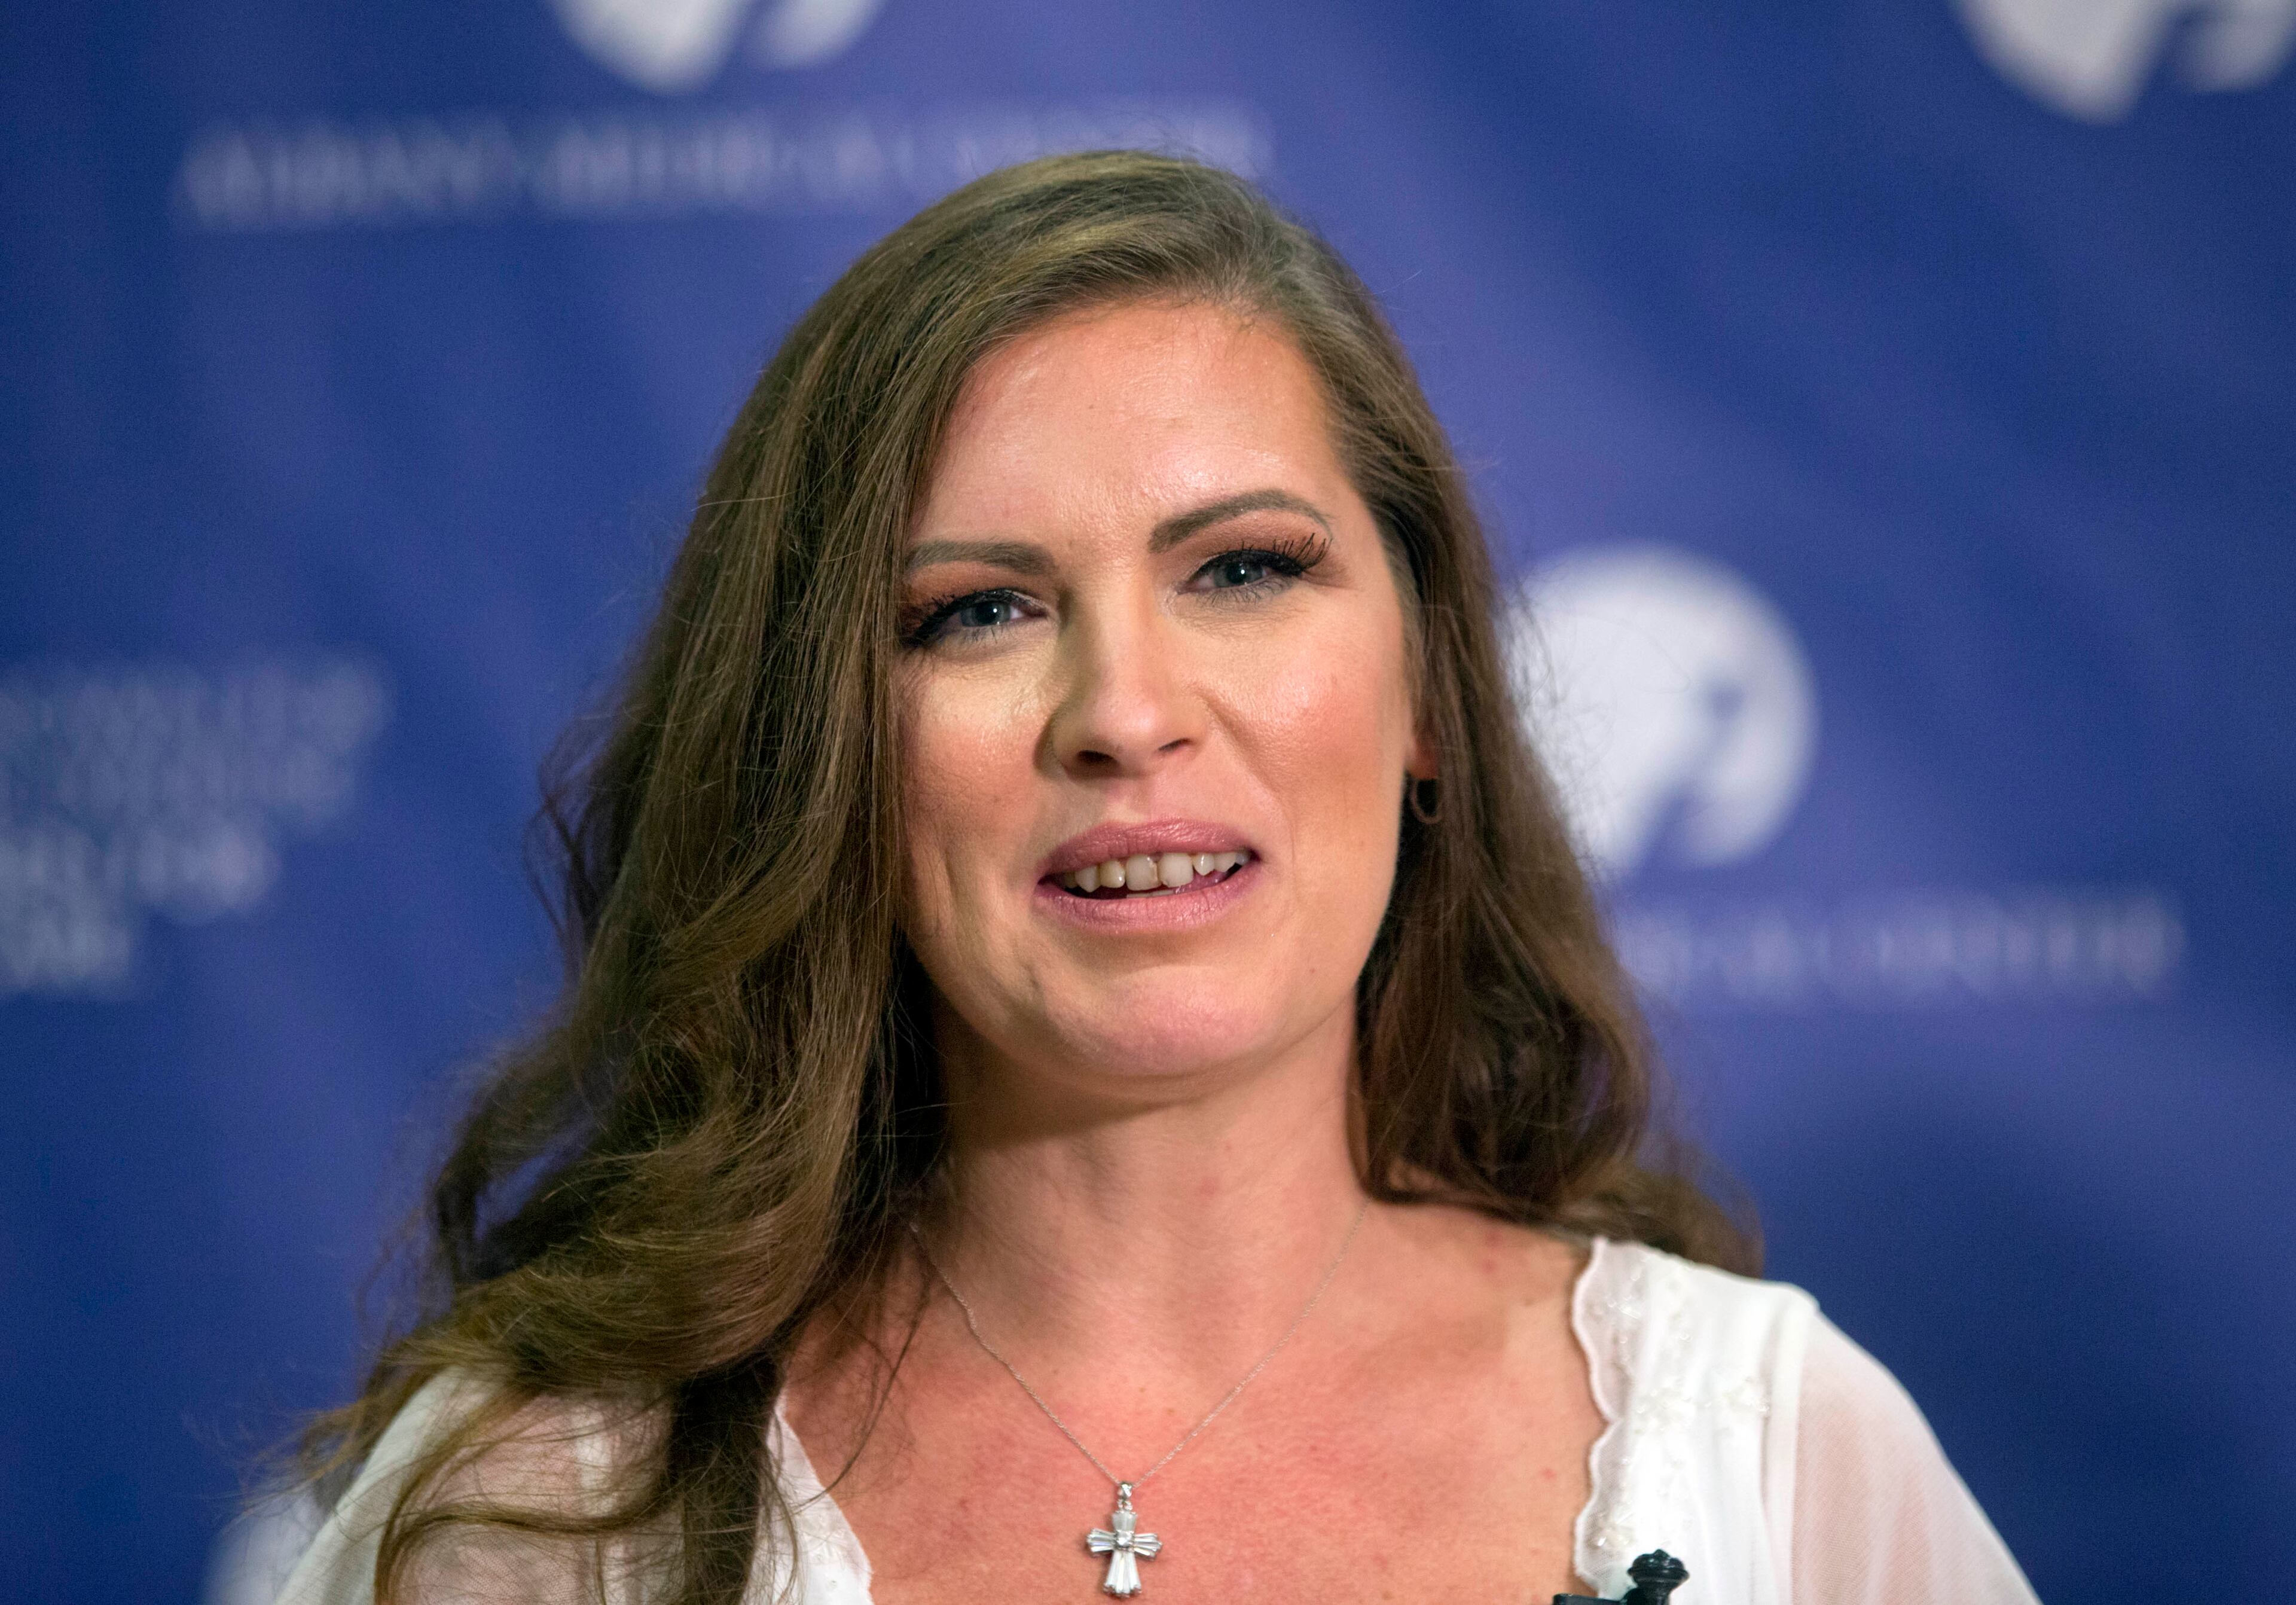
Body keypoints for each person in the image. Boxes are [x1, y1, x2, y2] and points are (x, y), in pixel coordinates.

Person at [275, 151, 2038, 1605]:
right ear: (830, 750)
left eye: (1245, 570)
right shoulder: (534, 1520)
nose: (1123, 713)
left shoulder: (1775, 1456)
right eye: (979, 611)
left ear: (1426, 685)